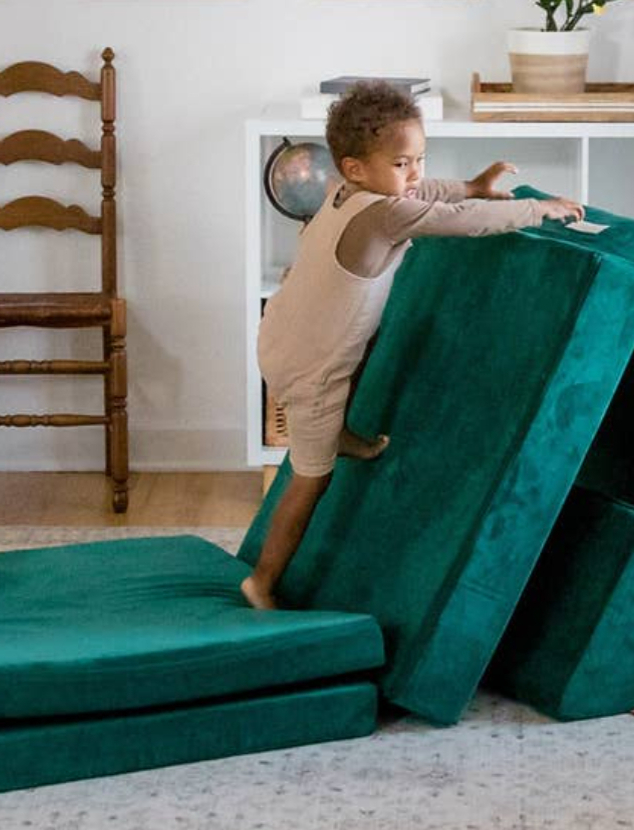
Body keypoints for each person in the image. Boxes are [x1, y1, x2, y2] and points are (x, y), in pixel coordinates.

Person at [241, 82, 584, 610]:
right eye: (404, 163)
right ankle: (261, 582)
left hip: (283, 331)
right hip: (310, 369)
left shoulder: (344, 191)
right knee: (311, 479)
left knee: (366, 343)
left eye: (420, 158)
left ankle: (342, 432)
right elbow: (459, 223)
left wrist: (470, 184)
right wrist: (538, 211)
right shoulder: (385, 213)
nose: (417, 173)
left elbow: (428, 194)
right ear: (357, 167)